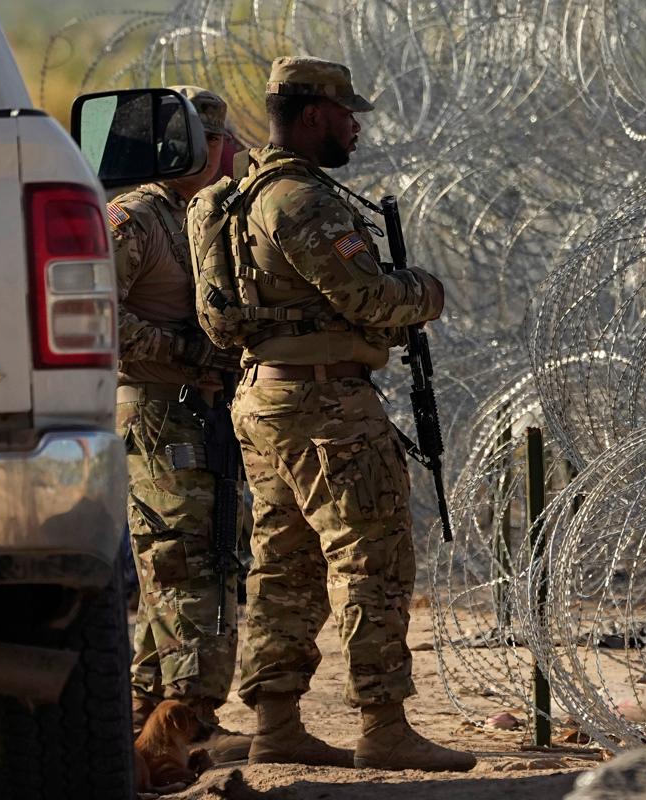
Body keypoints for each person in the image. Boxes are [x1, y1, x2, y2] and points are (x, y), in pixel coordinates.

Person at [215, 56, 475, 772]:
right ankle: (384, 725)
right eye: (344, 113)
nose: (355, 126)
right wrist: (425, 290)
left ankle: (276, 724)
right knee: (373, 561)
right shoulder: (302, 201)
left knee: (284, 565)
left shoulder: (245, 195)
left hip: (269, 397)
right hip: (324, 405)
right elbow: (369, 298)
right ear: (310, 116)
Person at [110, 84, 247, 754]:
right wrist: (186, 353)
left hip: (201, 413)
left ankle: (149, 712)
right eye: (213, 144)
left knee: (197, 559)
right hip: (160, 411)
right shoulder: (137, 219)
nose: (224, 157)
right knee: (183, 562)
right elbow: (93, 315)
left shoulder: (205, 218)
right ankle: (189, 717)